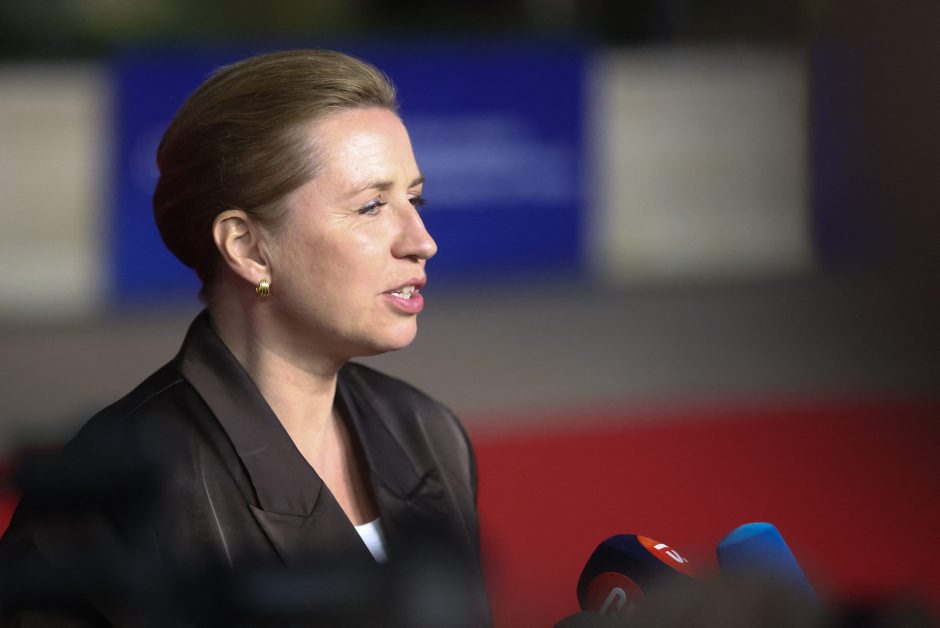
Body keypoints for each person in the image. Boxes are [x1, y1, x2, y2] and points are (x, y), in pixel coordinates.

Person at [0, 49, 488, 625]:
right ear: (248, 248)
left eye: (415, 199)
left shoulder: (428, 431)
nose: (421, 240)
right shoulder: (118, 487)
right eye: (371, 206)